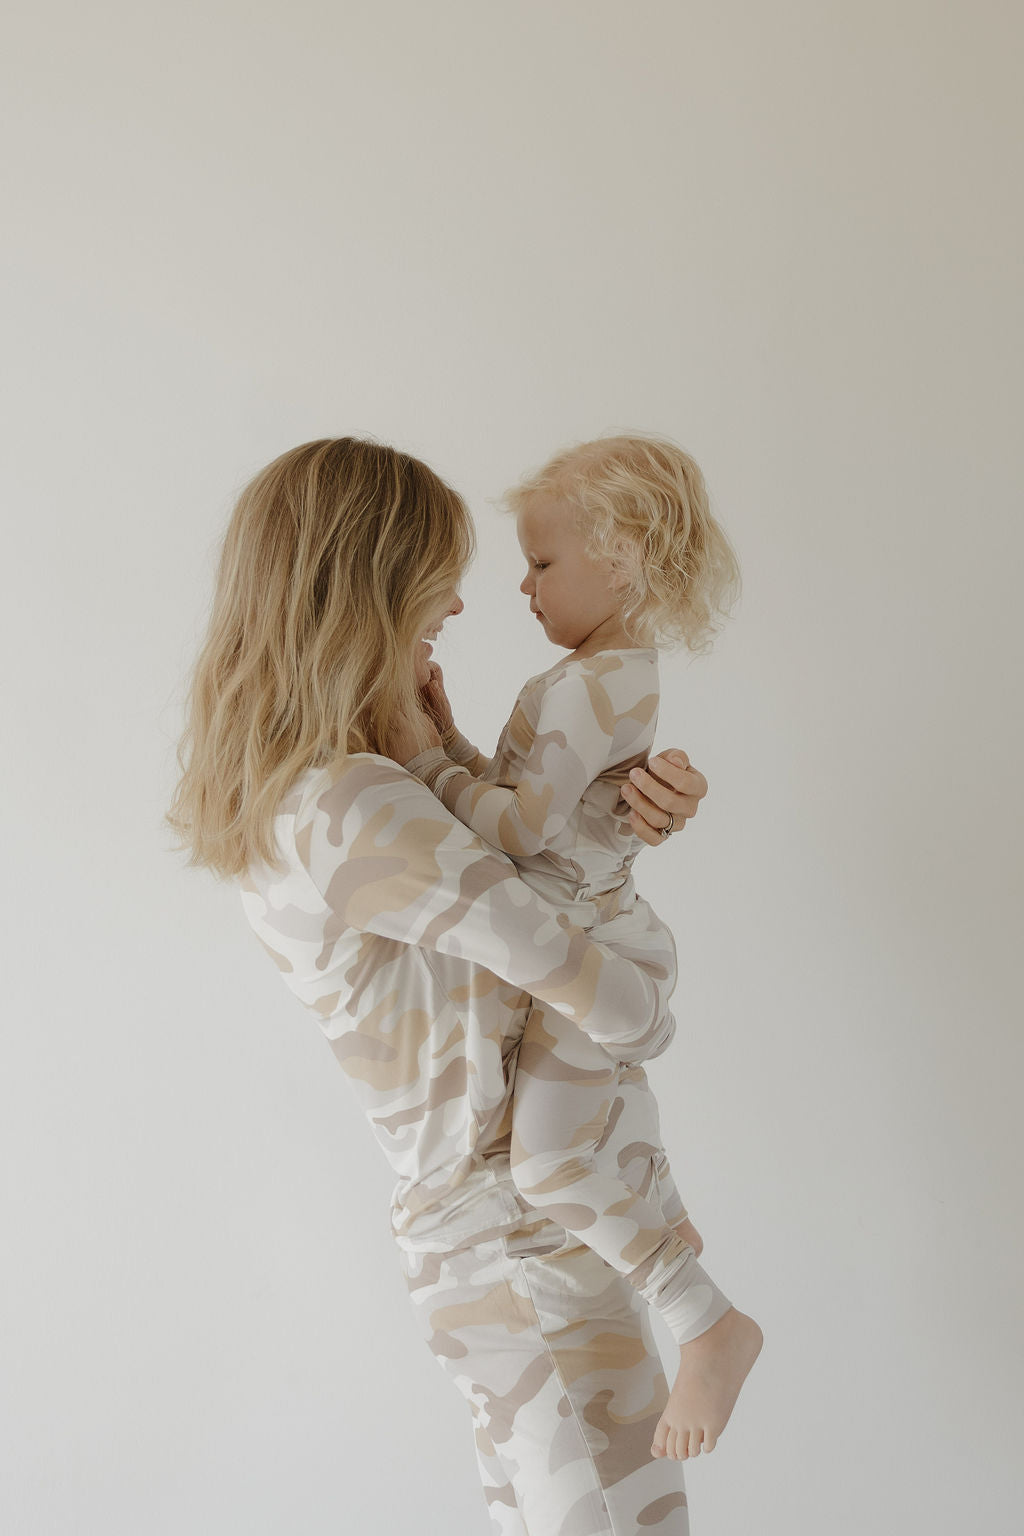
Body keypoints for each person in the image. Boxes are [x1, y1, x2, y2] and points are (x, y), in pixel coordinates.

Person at [165, 436, 754, 1532]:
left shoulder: (321, 792)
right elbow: (580, 978)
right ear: (372, 581)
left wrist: (612, 820)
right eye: (440, 571)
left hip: (502, 1237)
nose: (462, 604)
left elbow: (514, 914)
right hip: (515, 1241)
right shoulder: (352, 806)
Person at [399, 433, 761, 1460]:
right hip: (592, 940)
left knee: (551, 1169)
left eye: (543, 562)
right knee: (587, 1130)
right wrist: (451, 742)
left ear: (626, 557)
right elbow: (527, 814)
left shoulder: (589, 686)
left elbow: (514, 835)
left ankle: (702, 1320)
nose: (521, 584)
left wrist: (426, 759)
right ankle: (662, 1213)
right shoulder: (601, 677)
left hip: (587, 956)